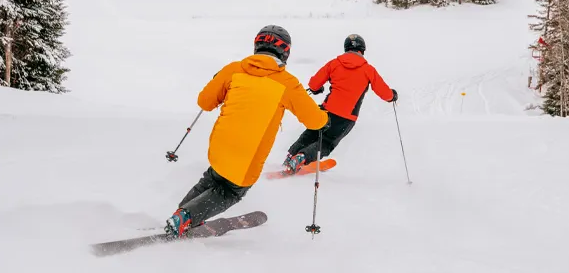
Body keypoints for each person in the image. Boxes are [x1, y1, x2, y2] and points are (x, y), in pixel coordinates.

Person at [164, 25, 329, 237]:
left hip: (220, 145)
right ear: (285, 52)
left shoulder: (233, 69)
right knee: (232, 190)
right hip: (248, 156)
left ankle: (182, 214)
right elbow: (315, 121)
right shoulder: (287, 83)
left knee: (213, 178)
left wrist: (217, 81)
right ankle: (186, 217)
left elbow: (204, 102)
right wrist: (325, 119)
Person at [282, 33, 397, 174]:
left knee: (311, 133)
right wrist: (392, 96)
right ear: (362, 50)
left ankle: (290, 157)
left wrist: (317, 89)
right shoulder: (368, 69)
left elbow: (313, 84)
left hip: (325, 110)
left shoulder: (335, 63)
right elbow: (384, 93)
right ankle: (302, 157)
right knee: (327, 142)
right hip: (346, 117)